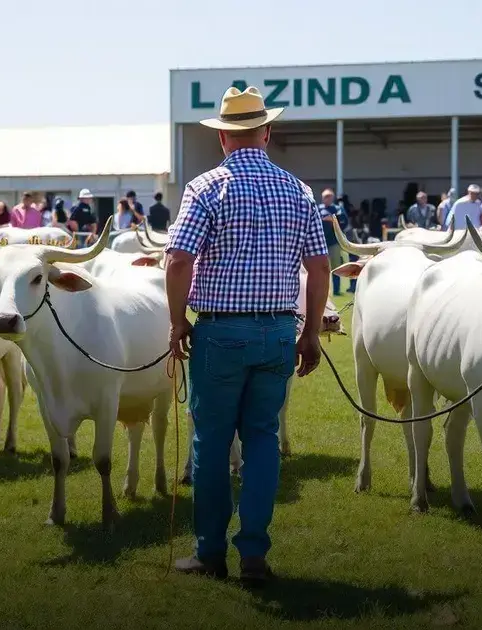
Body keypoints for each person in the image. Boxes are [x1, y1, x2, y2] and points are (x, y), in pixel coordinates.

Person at [165, 86, 329, 584]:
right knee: (262, 439)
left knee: (211, 443)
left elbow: (177, 260)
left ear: (222, 137)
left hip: (220, 330)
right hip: (279, 329)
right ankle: (254, 553)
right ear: (266, 132)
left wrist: (177, 321)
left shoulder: (205, 188)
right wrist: (312, 332)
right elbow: (320, 266)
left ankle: (209, 553)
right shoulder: (297, 188)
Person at [318, 189, 348, 296]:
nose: (328, 198)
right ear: (322, 198)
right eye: (326, 196)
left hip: (334, 242)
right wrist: (324, 220)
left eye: (330, 196)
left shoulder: (338, 209)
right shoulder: (318, 208)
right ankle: (322, 290)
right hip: (321, 242)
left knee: (336, 267)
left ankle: (336, 290)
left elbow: (345, 223)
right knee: (321, 267)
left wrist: (334, 220)